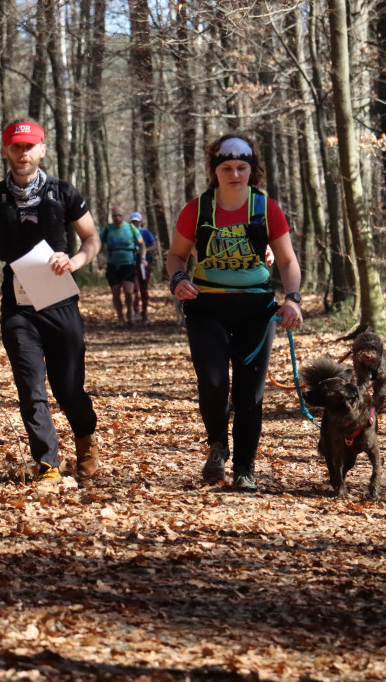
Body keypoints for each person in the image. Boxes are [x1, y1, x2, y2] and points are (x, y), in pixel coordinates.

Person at [0, 120, 101, 488]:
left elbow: (91, 239)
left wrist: (75, 261)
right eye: (16, 146)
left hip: (59, 300)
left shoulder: (63, 192)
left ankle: (85, 438)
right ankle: (47, 464)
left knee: (68, 388)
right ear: (5, 150)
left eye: (29, 146)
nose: (23, 153)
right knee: (31, 386)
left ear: (42, 150)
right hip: (18, 306)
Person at [166, 133, 303, 492]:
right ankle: (217, 446)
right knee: (213, 384)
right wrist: (179, 278)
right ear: (214, 171)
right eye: (226, 168)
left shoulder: (266, 208)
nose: (235, 174)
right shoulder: (197, 209)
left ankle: (245, 467)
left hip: (256, 310)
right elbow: (176, 255)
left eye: (242, 167)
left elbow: (288, 261)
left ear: (252, 170)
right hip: (206, 307)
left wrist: (292, 299)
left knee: (249, 394)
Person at [99, 207, 145, 324]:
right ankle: (120, 317)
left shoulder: (131, 228)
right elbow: (98, 245)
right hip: (112, 264)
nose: (117, 218)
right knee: (115, 292)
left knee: (129, 291)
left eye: (119, 215)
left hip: (128, 264)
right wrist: (100, 259)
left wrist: (143, 258)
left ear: (123, 216)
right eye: (114, 215)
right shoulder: (107, 229)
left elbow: (142, 244)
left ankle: (130, 311)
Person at [130, 211, 158, 323]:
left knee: (143, 288)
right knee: (134, 288)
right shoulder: (128, 233)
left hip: (144, 264)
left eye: (136, 222)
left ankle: (144, 312)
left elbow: (154, 246)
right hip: (132, 264)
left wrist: (145, 251)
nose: (135, 224)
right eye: (133, 222)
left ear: (141, 222)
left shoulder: (146, 233)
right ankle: (136, 312)